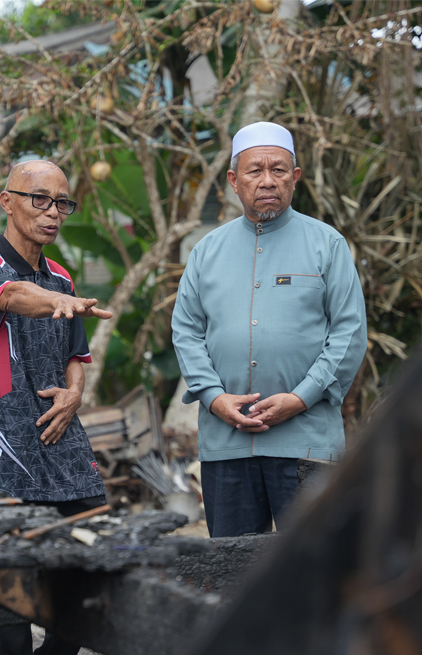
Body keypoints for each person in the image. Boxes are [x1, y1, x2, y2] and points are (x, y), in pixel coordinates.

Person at [0, 160, 113, 655]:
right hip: (8, 445)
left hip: (62, 434)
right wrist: (62, 302)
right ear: (7, 201)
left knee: (99, 552)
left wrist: (75, 393)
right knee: (13, 582)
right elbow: (19, 298)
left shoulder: (62, 275)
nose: (52, 213)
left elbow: (77, 356)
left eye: (62, 203)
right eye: (39, 199)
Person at [172, 122, 367, 538]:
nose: (267, 181)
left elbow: (349, 333)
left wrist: (301, 397)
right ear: (233, 181)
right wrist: (213, 397)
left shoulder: (327, 244)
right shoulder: (207, 250)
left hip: (307, 445)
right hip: (226, 445)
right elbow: (186, 331)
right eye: (254, 170)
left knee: (314, 571)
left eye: (278, 170)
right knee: (232, 574)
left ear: (295, 177)